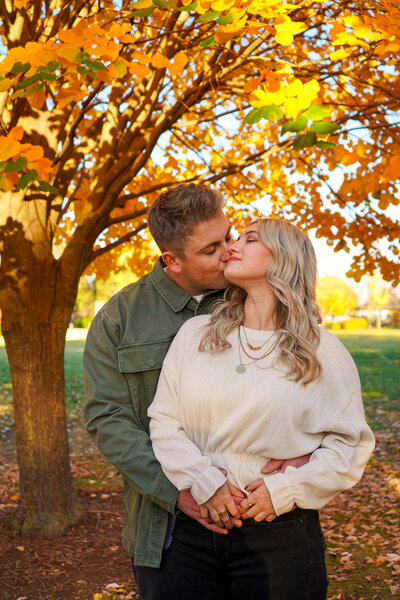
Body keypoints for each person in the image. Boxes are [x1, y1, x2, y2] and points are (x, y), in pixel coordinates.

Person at [83, 185, 309, 600]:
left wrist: (307, 448)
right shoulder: (120, 318)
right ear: (172, 260)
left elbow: (312, 384)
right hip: (166, 526)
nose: (229, 251)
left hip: (262, 518)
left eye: (229, 236)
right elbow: (107, 418)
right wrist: (179, 492)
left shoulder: (255, 295)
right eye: (211, 249)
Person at [148, 217, 375, 600]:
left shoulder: (322, 350)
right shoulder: (196, 336)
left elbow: (350, 446)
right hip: (197, 531)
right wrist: (205, 482)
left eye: (249, 239)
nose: (231, 245)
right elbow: (165, 422)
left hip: (280, 536)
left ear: (284, 258)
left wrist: (286, 488)